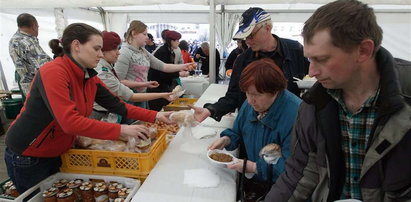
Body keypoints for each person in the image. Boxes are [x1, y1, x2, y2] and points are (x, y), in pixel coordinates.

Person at [263, 1, 411, 201]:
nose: (311, 72)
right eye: (310, 60)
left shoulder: (406, 99)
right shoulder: (313, 105)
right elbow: (299, 173)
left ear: (364, 50)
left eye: (322, 59)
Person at [4, 23, 174, 194]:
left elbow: (119, 105)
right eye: (96, 48)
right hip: (28, 154)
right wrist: (122, 129)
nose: (101, 54)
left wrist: (157, 116)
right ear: (76, 46)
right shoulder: (54, 72)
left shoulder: (88, 76)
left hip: (58, 150)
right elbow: (69, 122)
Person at [191, 7, 309, 122]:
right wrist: (211, 110)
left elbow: (311, 80)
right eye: (244, 37)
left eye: (250, 35)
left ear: (267, 28)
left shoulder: (295, 50)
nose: (247, 41)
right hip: (253, 123)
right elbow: (233, 96)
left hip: (289, 121)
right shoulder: (242, 60)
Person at [209, 59, 301, 201]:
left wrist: (254, 167)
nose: (251, 100)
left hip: (285, 191)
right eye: (247, 93)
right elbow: (238, 131)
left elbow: (295, 168)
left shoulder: (296, 114)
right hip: (257, 184)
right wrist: (227, 139)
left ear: (275, 91)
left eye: (257, 95)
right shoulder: (250, 105)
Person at [85, 31, 175, 121]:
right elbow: (130, 96)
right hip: (101, 115)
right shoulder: (102, 72)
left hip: (111, 111)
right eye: (144, 34)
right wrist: (161, 97)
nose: (118, 53)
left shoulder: (107, 66)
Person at [114, 20, 192, 108]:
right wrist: (144, 84)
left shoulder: (143, 51)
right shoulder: (124, 53)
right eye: (144, 34)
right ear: (134, 33)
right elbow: (119, 81)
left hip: (142, 95)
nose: (147, 37)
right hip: (129, 98)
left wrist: (184, 66)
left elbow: (164, 66)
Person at [9, 13, 52, 97]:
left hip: (26, 87)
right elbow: (44, 66)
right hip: (38, 87)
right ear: (34, 26)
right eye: (38, 27)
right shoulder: (28, 43)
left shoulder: (13, 40)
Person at [148, 30, 188, 111]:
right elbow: (164, 72)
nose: (178, 43)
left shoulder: (169, 51)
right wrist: (179, 73)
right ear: (171, 41)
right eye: (177, 40)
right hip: (157, 86)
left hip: (162, 84)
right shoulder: (163, 51)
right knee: (159, 110)